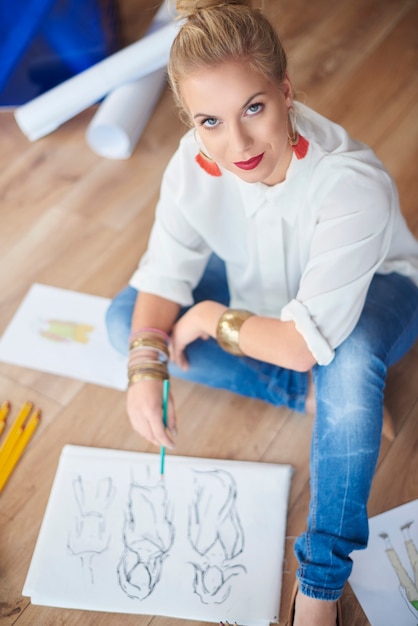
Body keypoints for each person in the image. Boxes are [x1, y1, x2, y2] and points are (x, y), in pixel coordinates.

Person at [105, 1, 418, 623]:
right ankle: (303, 396)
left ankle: (321, 585)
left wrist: (215, 318)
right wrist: (145, 367)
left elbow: (306, 341)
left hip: (371, 290)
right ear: (191, 121)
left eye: (254, 108)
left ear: (285, 90)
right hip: (262, 285)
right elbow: (166, 271)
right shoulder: (195, 164)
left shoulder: (351, 183)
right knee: (125, 324)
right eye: (210, 121)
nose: (237, 144)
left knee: (347, 362)